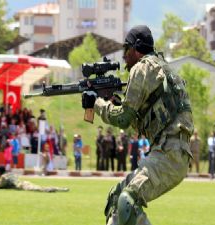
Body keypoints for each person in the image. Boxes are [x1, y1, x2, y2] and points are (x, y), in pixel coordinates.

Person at [82, 25, 194, 224]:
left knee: (127, 201)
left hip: (170, 153)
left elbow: (123, 119)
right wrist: (113, 103)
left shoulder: (143, 67)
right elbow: (138, 120)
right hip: (169, 152)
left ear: (137, 48)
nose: (124, 56)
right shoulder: (159, 67)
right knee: (116, 199)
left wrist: (97, 103)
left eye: (127, 49)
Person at [0, 166, 69, 192]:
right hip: (24, 183)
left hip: (22, 186)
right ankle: (61, 189)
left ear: (0, 172)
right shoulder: (9, 174)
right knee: (40, 187)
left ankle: (54, 189)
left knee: (40, 189)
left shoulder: (3, 177)